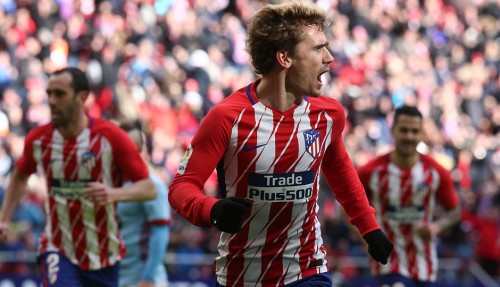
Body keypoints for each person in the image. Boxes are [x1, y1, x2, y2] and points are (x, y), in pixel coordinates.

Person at [168, 2, 393, 286]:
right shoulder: (227, 117)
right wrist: (211, 210)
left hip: (307, 268)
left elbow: (338, 168)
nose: (330, 58)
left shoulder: (328, 114)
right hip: (242, 275)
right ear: (284, 57)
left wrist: (369, 226)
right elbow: (181, 187)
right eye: (317, 48)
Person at [0, 67, 157, 287]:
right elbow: (19, 176)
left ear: (82, 97)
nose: (52, 101)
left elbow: (149, 188)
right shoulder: (38, 139)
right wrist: (4, 217)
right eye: (49, 93)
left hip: (103, 253)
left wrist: (113, 194)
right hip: (58, 248)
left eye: (60, 94)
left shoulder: (110, 137)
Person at [356, 105, 460, 287]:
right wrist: (365, 238)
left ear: (421, 134)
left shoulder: (436, 172)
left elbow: (454, 212)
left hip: (424, 264)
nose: (409, 136)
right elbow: (345, 209)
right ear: (393, 131)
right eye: (404, 130)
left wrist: (436, 227)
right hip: (387, 264)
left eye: (414, 131)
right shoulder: (371, 171)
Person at [118, 121, 171, 287]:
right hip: (119, 276)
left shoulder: (153, 185)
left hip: (143, 279)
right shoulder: (118, 181)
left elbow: (160, 233)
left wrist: (147, 277)